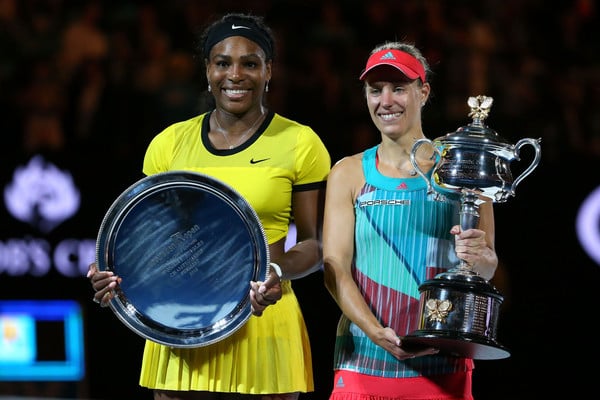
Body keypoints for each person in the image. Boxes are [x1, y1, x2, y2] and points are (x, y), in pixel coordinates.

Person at [87, 12, 331, 400]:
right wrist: (111, 268)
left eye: (250, 63)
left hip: (263, 319)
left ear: (269, 71)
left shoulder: (300, 143)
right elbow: (145, 240)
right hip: (180, 324)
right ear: (207, 70)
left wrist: (276, 270)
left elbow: (316, 245)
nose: (235, 75)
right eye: (223, 63)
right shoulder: (168, 144)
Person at [322, 41, 498, 400]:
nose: (386, 101)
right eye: (376, 90)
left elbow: (488, 265)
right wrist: (376, 333)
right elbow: (334, 268)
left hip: (443, 368)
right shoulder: (347, 173)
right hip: (362, 363)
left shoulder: (463, 169)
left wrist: (479, 257)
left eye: (399, 88)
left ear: (423, 91)